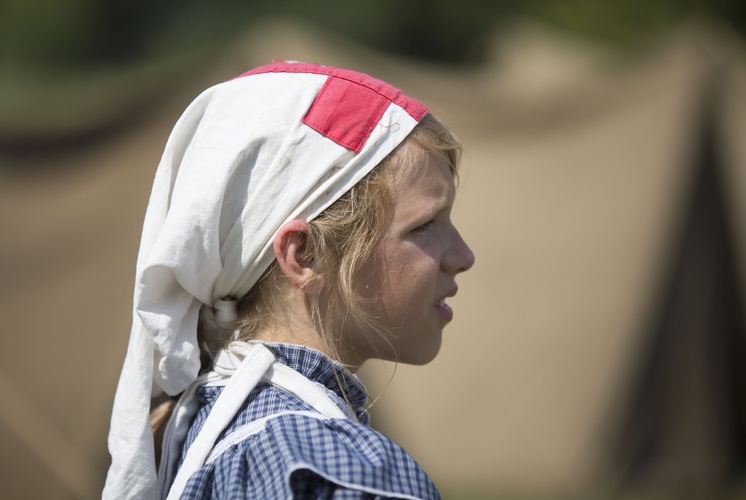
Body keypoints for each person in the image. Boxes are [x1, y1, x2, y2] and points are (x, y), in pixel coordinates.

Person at [103, 61, 474, 499]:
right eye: (425, 225)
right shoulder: (336, 470)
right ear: (305, 255)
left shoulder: (207, 428)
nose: (463, 256)